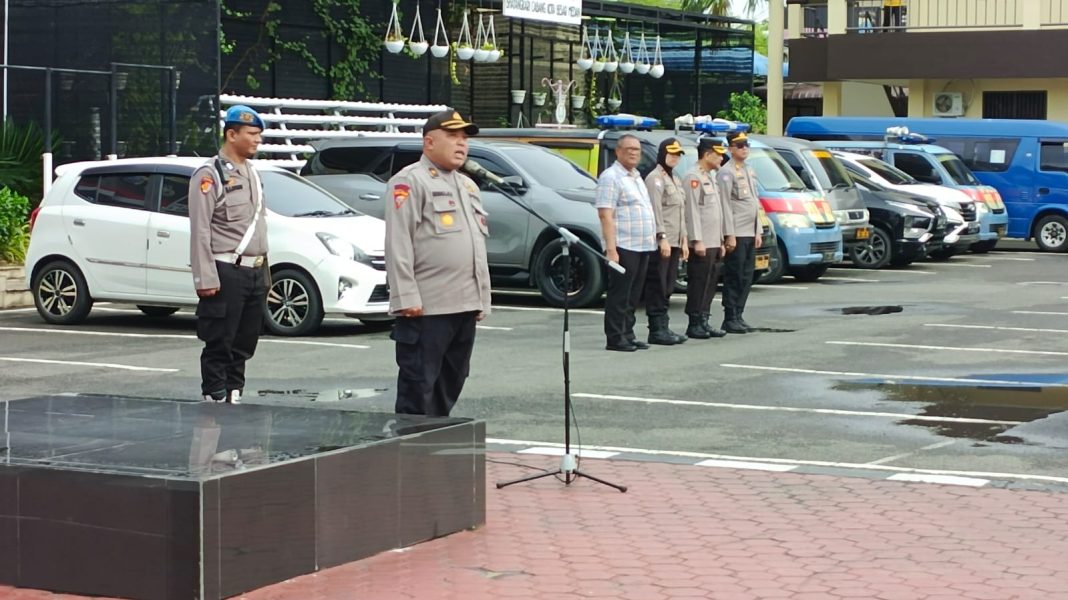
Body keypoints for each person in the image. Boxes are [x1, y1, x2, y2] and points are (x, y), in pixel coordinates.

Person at [385, 110, 491, 417]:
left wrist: (481, 298)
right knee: (419, 386)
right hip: (427, 307)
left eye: (464, 138)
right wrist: (406, 296)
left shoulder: (468, 186)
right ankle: (410, 455)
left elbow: (475, 245)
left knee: (453, 379)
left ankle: (434, 449)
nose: (462, 144)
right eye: (453, 137)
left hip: (464, 305)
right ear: (429, 142)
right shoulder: (409, 181)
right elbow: (398, 243)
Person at [189, 104, 268, 404]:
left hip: (254, 271)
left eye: (259, 134)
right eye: (251, 134)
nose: (257, 140)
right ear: (231, 134)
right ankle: (214, 401)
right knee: (219, 341)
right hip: (226, 270)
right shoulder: (210, 175)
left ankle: (235, 397)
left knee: (245, 342)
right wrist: (205, 277)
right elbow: (200, 230)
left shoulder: (252, 174)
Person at [597, 134, 657, 352]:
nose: (634, 153)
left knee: (633, 295)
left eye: (637, 150)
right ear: (618, 151)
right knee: (620, 294)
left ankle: (628, 334)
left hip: (642, 244)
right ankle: (615, 337)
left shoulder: (636, 176)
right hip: (623, 244)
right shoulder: (611, 177)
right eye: (629, 149)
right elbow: (606, 214)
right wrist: (611, 249)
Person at [683, 138, 734, 339]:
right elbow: (692, 211)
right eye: (718, 154)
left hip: (714, 239)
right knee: (698, 281)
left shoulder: (711, 176)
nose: (721, 158)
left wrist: (721, 240)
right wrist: (697, 239)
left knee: (710, 281)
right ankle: (694, 321)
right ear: (707, 154)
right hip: (703, 240)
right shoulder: (693, 177)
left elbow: (717, 211)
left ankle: (704, 318)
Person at [642, 138, 689, 346]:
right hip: (662, 241)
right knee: (658, 284)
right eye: (671, 153)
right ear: (662, 153)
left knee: (668, 285)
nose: (675, 157)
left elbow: (680, 212)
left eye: (678, 154)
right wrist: (661, 238)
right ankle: (656, 329)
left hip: (676, 240)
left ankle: (664, 326)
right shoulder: (655, 178)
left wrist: (684, 240)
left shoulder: (675, 179)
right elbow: (655, 211)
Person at [716, 132, 764, 334]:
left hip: (750, 231)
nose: (744, 148)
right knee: (734, 275)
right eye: (739, 145)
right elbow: (725, 204)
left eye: (746, 144)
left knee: (746, 275)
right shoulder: (726, 172)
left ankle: (739, 314)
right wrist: (729, 234)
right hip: (737, 230)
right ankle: (730, 316)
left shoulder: (749, 170)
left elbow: (755, 201)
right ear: (730, 149)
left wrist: (758, 230)